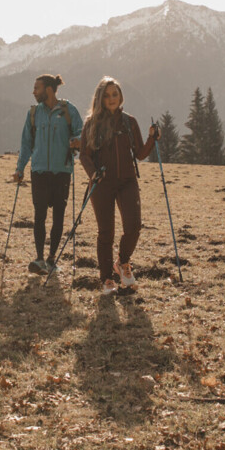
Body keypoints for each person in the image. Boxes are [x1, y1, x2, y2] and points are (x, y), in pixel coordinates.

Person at [79, 77, 157, 295]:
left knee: (134, 226)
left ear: (120, 96)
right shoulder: (91, 123)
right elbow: (84, 155)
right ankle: (106, 280)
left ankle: (122, 262)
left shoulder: (129, 122)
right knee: (106, 232)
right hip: (102, 184)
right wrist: (94, 174)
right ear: (100, 98)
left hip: (127, 181)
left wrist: (152, 138)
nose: (111, 99)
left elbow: (140, 153)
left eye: (115, 94)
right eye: (107, 95)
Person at [13, 74, 84, 275]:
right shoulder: (34, 113)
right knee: (39, 216)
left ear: (49, 89)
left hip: (62, 171)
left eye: (37, 88)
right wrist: (20, 168)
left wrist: (77, 140)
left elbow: (81, 131)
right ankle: (39, 258)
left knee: (58, 217)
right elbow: (26, 142)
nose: (33, 92)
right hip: (39, 171)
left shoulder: (68, 110)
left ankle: (52, 258)